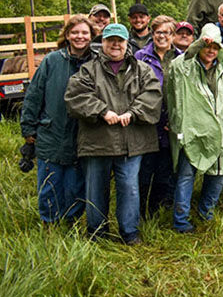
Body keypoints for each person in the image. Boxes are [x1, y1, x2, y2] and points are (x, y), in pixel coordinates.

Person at [64, 23, 162, 244]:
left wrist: (134, 112)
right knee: (96, 188)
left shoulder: (142, 69)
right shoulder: (88, 70)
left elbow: (153, 95)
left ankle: (129, 232)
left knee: (129, 188)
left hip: (132, 142)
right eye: (111, 40)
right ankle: (97, 232)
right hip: (97, 142)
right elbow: (75, 96)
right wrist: (101, 111)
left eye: (120, 40)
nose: (115, 44)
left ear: (127, 43)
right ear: (103, 43)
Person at [165, 24, 223, 232]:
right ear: (199, 45)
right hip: (193, 129)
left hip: (220, 130)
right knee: (186, 175)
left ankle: (206, 213)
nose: (210, 50)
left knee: (218, 174)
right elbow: (176, 67)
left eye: (215, 47)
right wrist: (195, 47)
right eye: (207, 45)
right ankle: (181, 221)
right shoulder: (185, 66)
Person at [20, 14, 96, 225]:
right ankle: (49, 222)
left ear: (91, 36)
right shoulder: (52, 61)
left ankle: (71, 221)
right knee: (50, 182)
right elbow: (34, 95)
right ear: (67, 35)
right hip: (51, 131)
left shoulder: (96, 62)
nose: (79, 37)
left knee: (75, 184)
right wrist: (28, 128)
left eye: (84, 32)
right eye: (75, 32)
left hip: (83, 134)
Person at [134, 15, 181, 217]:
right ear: (152, 34)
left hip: (170, 123)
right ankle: (140, 209)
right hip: (146, 122)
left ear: (173, 35)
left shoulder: (181, 59)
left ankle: (157, 210)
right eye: (158, 32)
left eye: (167, 32)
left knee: (165, 167)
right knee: (145, 169)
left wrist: (176, 119)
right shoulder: (140, 57)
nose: (162, 36)